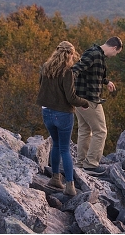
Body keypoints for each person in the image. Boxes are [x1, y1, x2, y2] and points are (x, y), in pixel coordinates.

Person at [35, 41, 89, 196]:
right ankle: (70, 186)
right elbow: (71, 97)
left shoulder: (46, 67)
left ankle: (55, 178)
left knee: (56, 144)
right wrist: (84, 103)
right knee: (65, 148)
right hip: (63, 114)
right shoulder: (67, 71)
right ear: (70, 54)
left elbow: (42, 86)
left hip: (46, 112)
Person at [72, 36, 122, 175]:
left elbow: (92, 73)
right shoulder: (93, 54)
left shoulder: (97, 54)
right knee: (101, 131)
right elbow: (75, 69)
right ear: (114, 48)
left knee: (84, 130)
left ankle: (81, 163)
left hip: (81, 99)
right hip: (88, 100)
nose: (115, 55)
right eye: (116, 53)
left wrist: (106, 82)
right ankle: (91, 165)